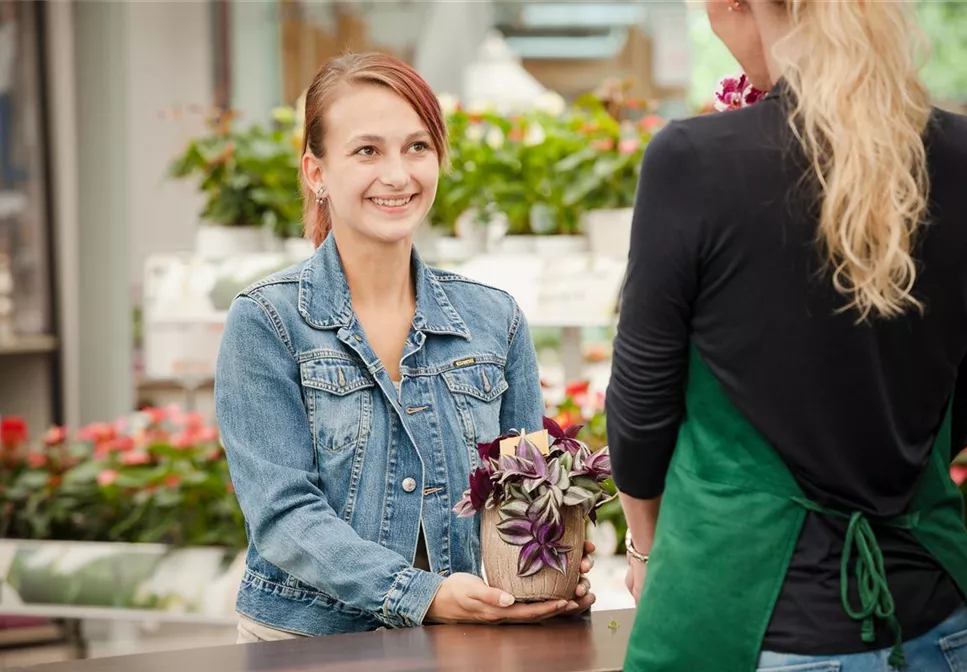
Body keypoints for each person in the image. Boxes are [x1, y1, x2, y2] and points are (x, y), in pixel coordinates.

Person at [606, 1, 967, 670]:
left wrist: (647, 549)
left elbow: (640, 408)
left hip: (754, 626)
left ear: (731, 5)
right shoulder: (959, 154)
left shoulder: (695, 161)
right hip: (937, 617)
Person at [215, 52, 594, 643]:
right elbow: (283, 517)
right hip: (310, 643)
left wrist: (551, 564)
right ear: (316, 172)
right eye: (367, 151)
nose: (397, 174)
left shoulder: (495, 319)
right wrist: (422, 595)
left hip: (469, 640)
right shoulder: (268, 320)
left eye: (417, 147)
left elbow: (528, 489)